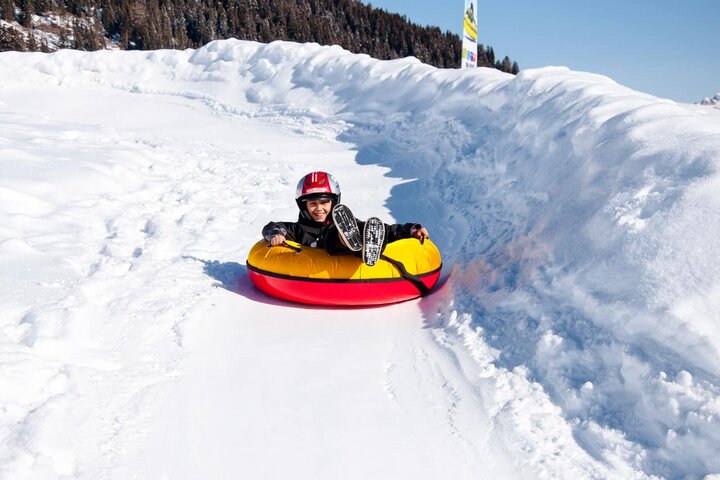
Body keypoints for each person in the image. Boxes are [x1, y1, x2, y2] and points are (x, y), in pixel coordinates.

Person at [262, 171, 429, 263]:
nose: (319, 209)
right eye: (313, 204)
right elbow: (272, 227)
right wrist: (276, 234)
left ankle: (367, 242)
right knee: (331, 238)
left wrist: (411, 229)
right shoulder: (298, 229)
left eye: (324, 203)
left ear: (334, 202)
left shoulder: (344, 221)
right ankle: (346, 239)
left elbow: (391, 231)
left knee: (362, 227)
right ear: (303, 205)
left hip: (354, 255)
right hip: (330, 249)